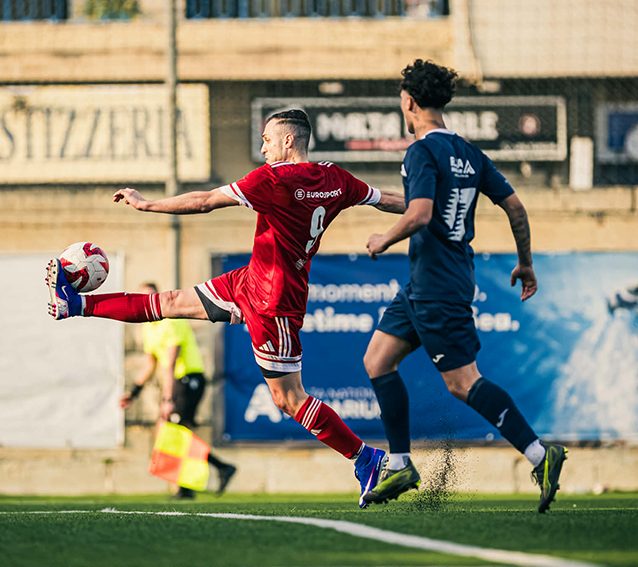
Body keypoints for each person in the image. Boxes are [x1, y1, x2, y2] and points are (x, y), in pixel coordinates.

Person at [46, 109, 407, 508]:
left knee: (289, 399)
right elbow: (387, 198)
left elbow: (204, 201)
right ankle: (75, 303)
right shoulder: (334, 178)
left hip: (273, 302)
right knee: (169, 302)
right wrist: (427, 207)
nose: (263, 148)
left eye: (267, 140)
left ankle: (365, 458)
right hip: (250, 281)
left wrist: (147, 205)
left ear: (288, 140)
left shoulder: (273, 179)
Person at [361, 60, 567, 513]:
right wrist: (526, 263)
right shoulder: (468, 152)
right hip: (427, 284)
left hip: (437, 286)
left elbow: (420, 214)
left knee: (462, 383)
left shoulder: (420, 151)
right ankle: (400, 464)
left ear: (409, 103)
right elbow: (515, 207)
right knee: (377, 360)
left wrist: (383, 239)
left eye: (402, 101)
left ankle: (540, 454)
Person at [121, 282, 236, 499]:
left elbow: (171, 363)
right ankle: (202, 478)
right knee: (175, 433)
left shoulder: (171, 321)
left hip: (189, 380)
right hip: (177, 383)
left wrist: (167, 400)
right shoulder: (148, 327)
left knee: (173, 431)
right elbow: (150, 363)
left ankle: (212, 472)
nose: (146, 302)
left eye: (150, 297)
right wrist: (134, 392)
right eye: (142, 299)